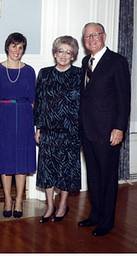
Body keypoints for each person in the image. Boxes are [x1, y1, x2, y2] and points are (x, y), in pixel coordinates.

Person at [78, 22, 130, 236]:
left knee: (107, 178)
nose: (91, 39)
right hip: (88, 130)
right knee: (93, 176)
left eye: (95, 35)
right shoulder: (84, 61)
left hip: (108, 131)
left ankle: (107, 221)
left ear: (104, 36)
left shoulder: (117, 61)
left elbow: (124, 99)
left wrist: (119, 128)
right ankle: (96, 215)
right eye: (86, 36)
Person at [0, 32, 36, 218]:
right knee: (5, 159)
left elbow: (33, 101)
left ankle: (19, 199)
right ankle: (7, 198)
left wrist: (32, 124)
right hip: (2, 117)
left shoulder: (29, 71)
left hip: (23, 118)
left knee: (21, 162)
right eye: (14, 46)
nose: (17, 50)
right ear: (7, 47)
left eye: (21, 47)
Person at [34, 36, 82, 223]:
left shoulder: (79, 74)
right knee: (47, 169)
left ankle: (62, 205)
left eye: (68, 52)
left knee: (66, 170)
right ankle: (49, 206)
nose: (63, 55)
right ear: (55, 53)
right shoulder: (44, 73)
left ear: (73, 56)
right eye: (60, 51)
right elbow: (39, 103)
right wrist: (38, 127)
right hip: (48, 130)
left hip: (71, 131)